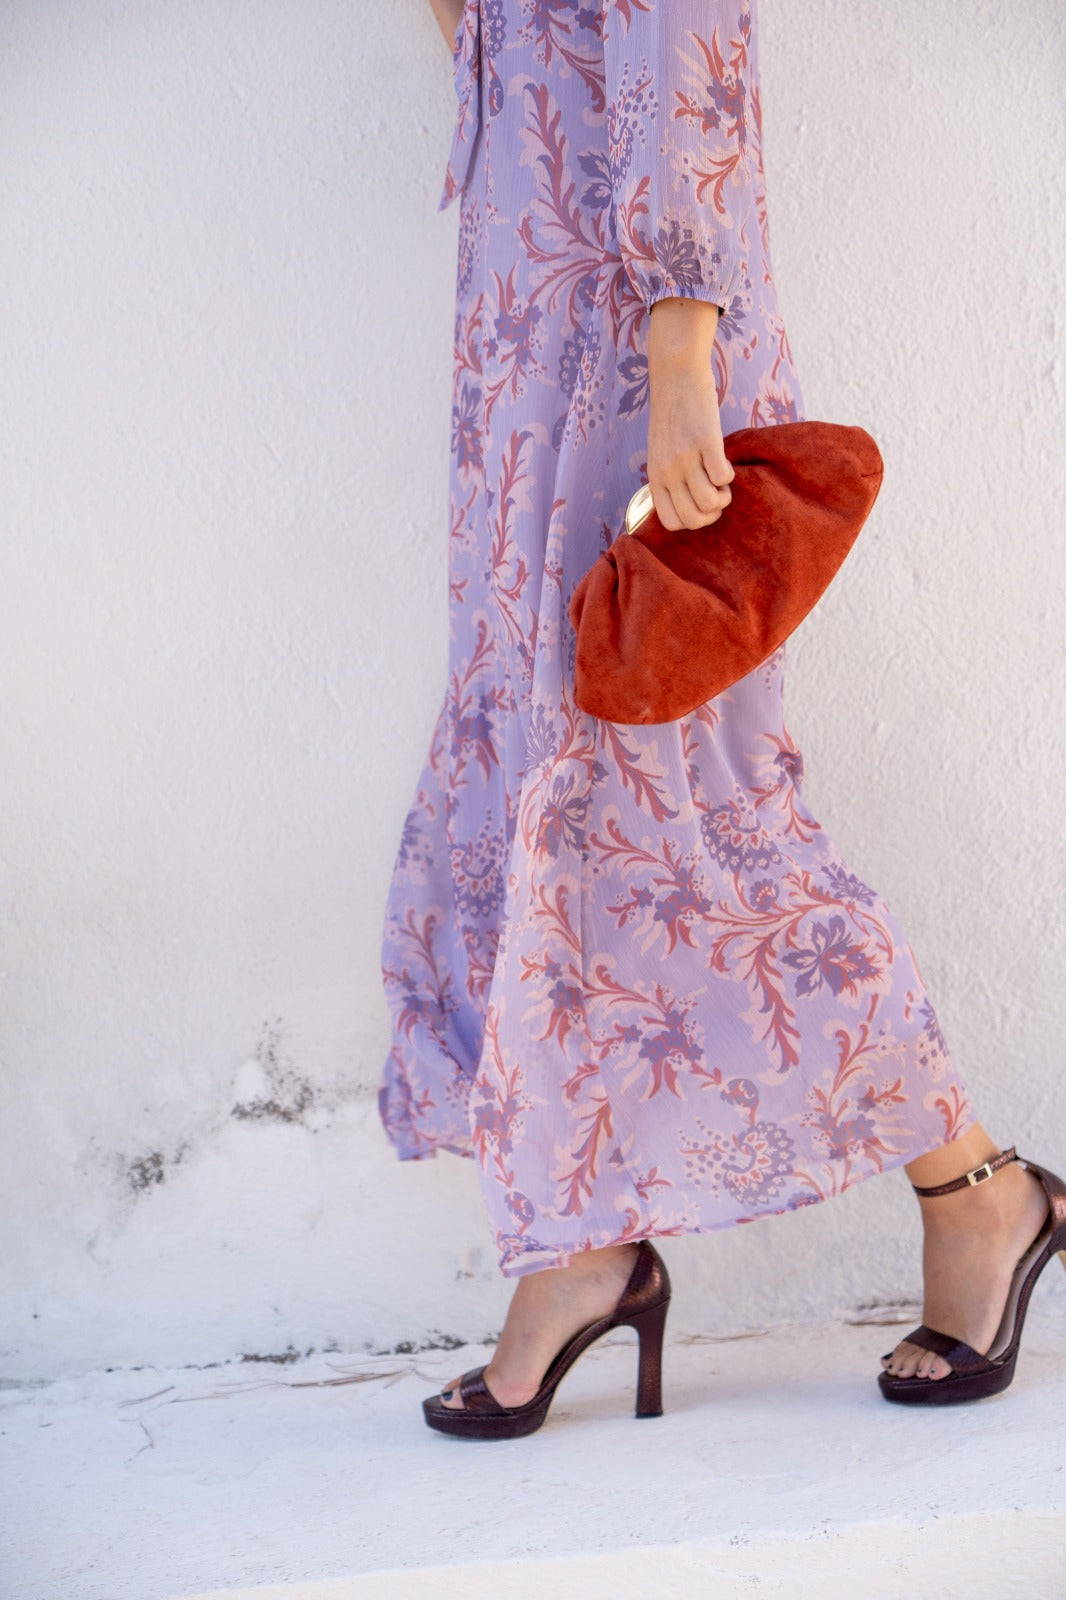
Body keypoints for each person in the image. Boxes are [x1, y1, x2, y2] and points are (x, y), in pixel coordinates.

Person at [380, 0, 1066, 1438]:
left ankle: (977, 1188)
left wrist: (682, 362)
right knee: (554, 812)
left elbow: (686, 48)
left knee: (689, 818)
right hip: (521, 351)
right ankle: (584, 1246)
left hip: (633, 369)